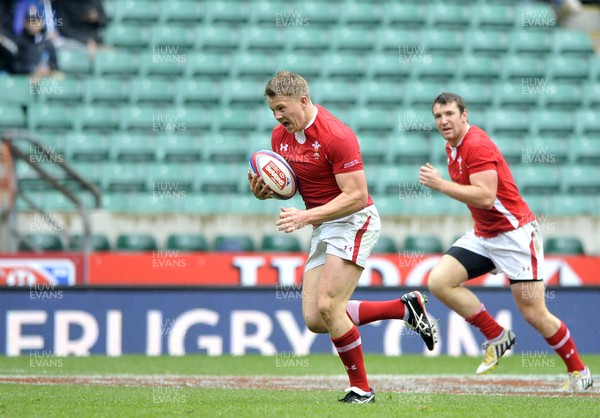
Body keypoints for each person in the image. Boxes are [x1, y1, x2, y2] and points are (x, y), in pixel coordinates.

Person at [248, 70, 437, 404]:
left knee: (328, 305)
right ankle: (405, 308)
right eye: (272, 110)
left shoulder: (337, 135)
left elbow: (357, 196)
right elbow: (293, 188)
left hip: (354, 220)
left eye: (281, 108)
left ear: (303, 101)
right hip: (323, 224)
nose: (277, 116)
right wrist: (266, 194)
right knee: (314, 319)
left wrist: (305, 216)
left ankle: (362, 389)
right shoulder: (280, 137)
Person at [419, 92, 593, 391]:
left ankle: (579, 372)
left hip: (515, 235)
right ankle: (497, 335)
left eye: (449, 114)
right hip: (484, 234)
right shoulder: (452, 147)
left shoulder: (476, 144)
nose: (443, 121)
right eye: (438, 116)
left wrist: (440, 184)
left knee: (534, 314)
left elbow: (486, 197)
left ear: (464, 114)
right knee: (439, 282)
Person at [11, 1, 60, 77]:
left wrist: (49, 69)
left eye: (36, 21)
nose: (33, 25)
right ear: (25, 24)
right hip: (25, 78)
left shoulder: (47, 43)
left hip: (46, 77)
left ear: (41, 23)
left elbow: (54, 64)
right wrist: (32, 69)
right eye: (30, 22)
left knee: (59, 76)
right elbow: (15, 66)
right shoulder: (19, 42)